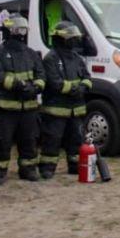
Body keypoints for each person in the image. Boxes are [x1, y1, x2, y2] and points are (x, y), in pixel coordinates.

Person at [0, 13, 46, 184]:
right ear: (8, 31)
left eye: (22, 30)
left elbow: (41, 74)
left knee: (29, 141)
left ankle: (28, 170)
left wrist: (36, 87)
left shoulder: (31, 54)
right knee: (2, 141)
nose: (20, 34)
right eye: (17, 30)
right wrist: (17, 85)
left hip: (29, 109)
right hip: (5, 110)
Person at [39, 21, 92, 178]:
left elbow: (87, 78)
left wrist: (83, 87)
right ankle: (47, 168)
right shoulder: (51, 59)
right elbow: (55, 83)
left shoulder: (77, 58)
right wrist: (75, 89)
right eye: (71, 38)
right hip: (57, 110)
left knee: (76, 139)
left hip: (76, 110)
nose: (74, 41)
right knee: (52, 140)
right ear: (61, 39)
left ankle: (75, 165)